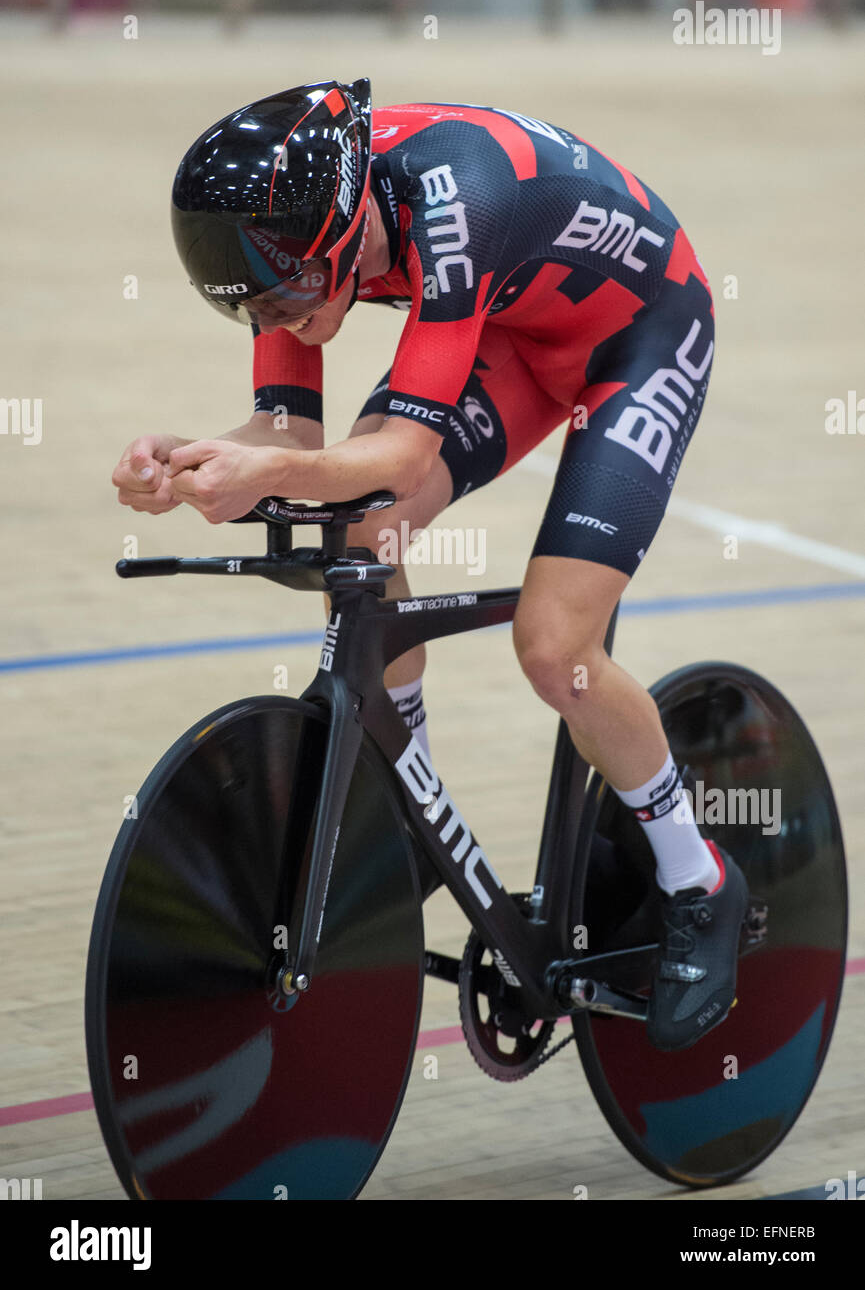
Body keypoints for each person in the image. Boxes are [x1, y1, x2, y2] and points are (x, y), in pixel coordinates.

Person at [112, 76, 748, 1052]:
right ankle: (407, 793)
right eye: (260, 306)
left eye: (289, 296)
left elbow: (399, 458)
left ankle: (695, 873)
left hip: (639, 337)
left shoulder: (458, 200)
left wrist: (272, 466)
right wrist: (191, 462)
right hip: (518, 329)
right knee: (364, 528)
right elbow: (288, 434)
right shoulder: (282, 228)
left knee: (554, 647)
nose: (282, 316)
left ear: (340, 227)